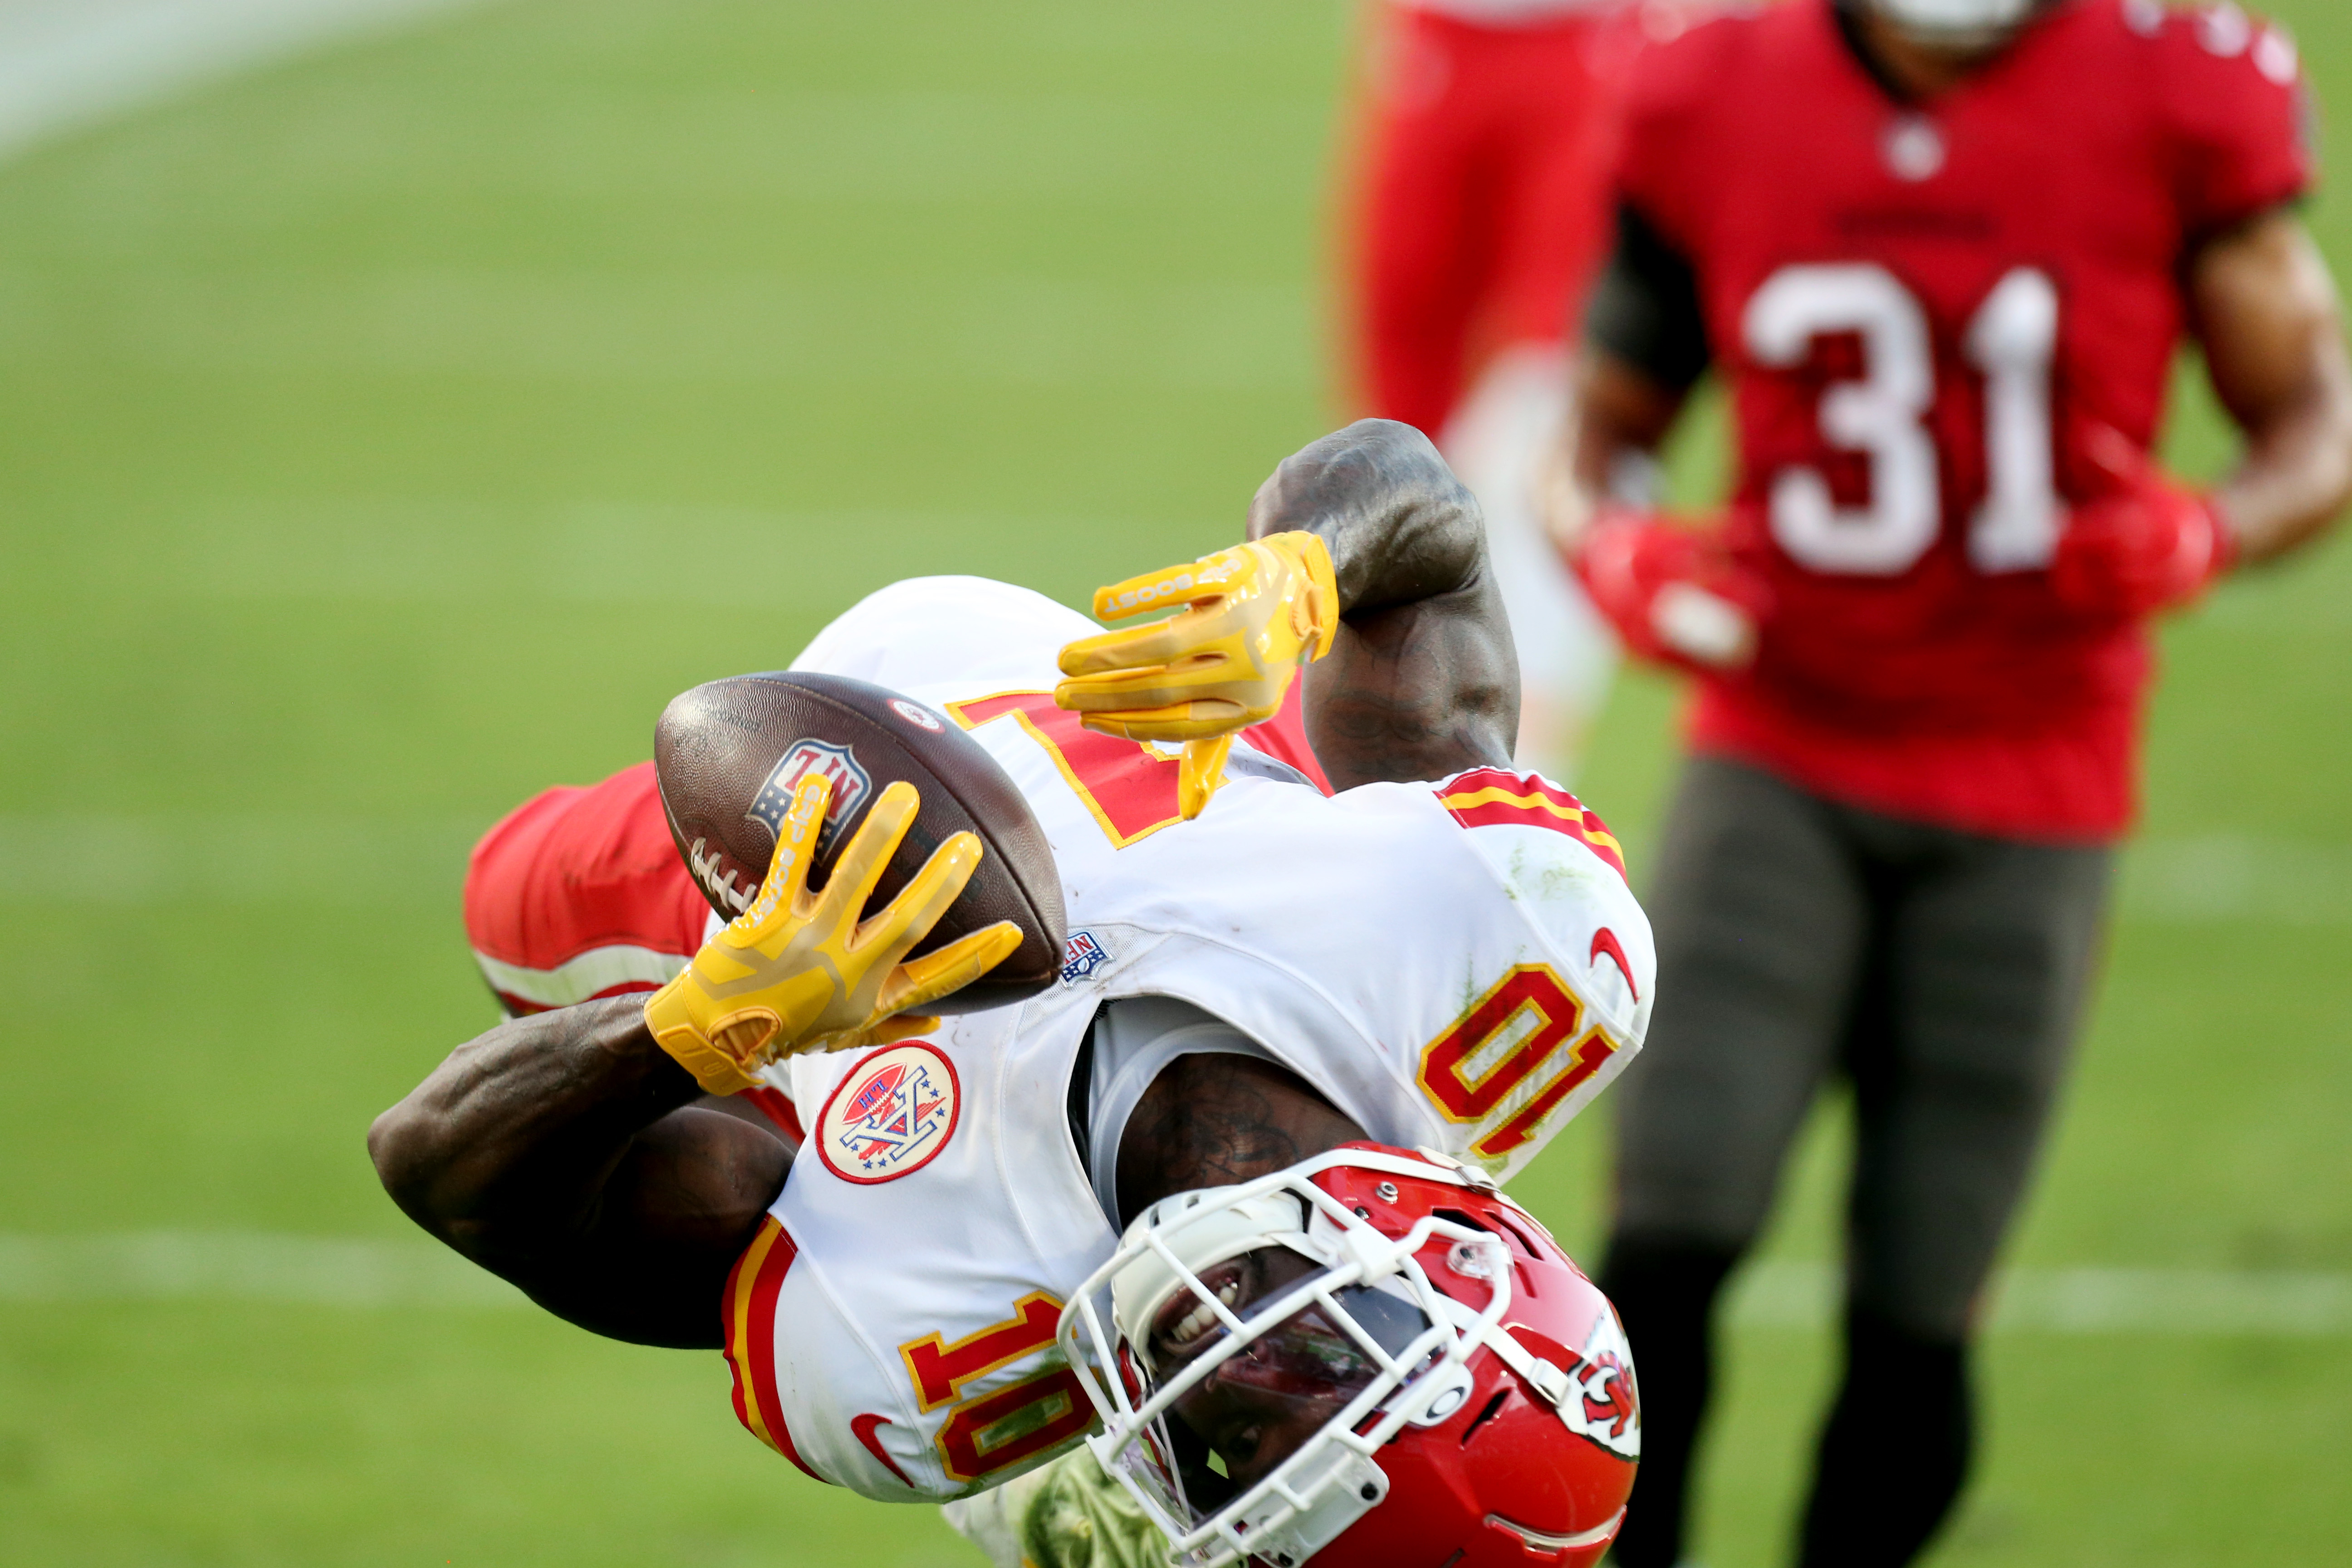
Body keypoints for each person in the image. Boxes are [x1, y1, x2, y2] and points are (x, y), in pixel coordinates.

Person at [372, 421, 1654, 1568]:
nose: (1213, 1394)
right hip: (1028, 667)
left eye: (1234, 1463)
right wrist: (1304, 573)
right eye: (1307, 1376)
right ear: (1445, 1249)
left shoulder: (926, 1352)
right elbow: (1420, 507)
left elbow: (441, 1166)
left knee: (505, 895)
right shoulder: (1511, 949)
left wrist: (698, 1027)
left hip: (725, 901)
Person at [1543, 0, 2352, 1564]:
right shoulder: (1712, 81)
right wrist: (1614, 543)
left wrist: (2208, 527)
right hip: (1778, 744)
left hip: (2033, 780)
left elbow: (2315, 421)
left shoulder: (2173, 83)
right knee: (1656, 1254)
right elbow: (1598, 431)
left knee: (1919, 1314)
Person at [1349, 0, 1645, 775]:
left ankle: (1521, 745)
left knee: (1563, 388)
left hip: (1599, 36)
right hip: (1440, 34)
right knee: (1395, 425)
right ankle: (1395, 712)